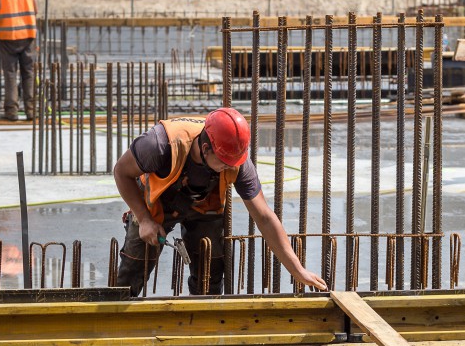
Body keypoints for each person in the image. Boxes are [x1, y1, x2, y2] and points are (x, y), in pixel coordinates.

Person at [113, 107, 328, 296]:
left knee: (210, 272)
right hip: (153, 204)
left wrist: (297, 270)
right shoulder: (159, 144)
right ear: (206, 150)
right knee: (133, 268)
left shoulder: (236, 160)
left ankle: (200, 326)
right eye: (225, 162)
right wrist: (143, 219)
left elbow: (264, 216)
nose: (231, 167)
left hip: (203, 205)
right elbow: (121, 172)